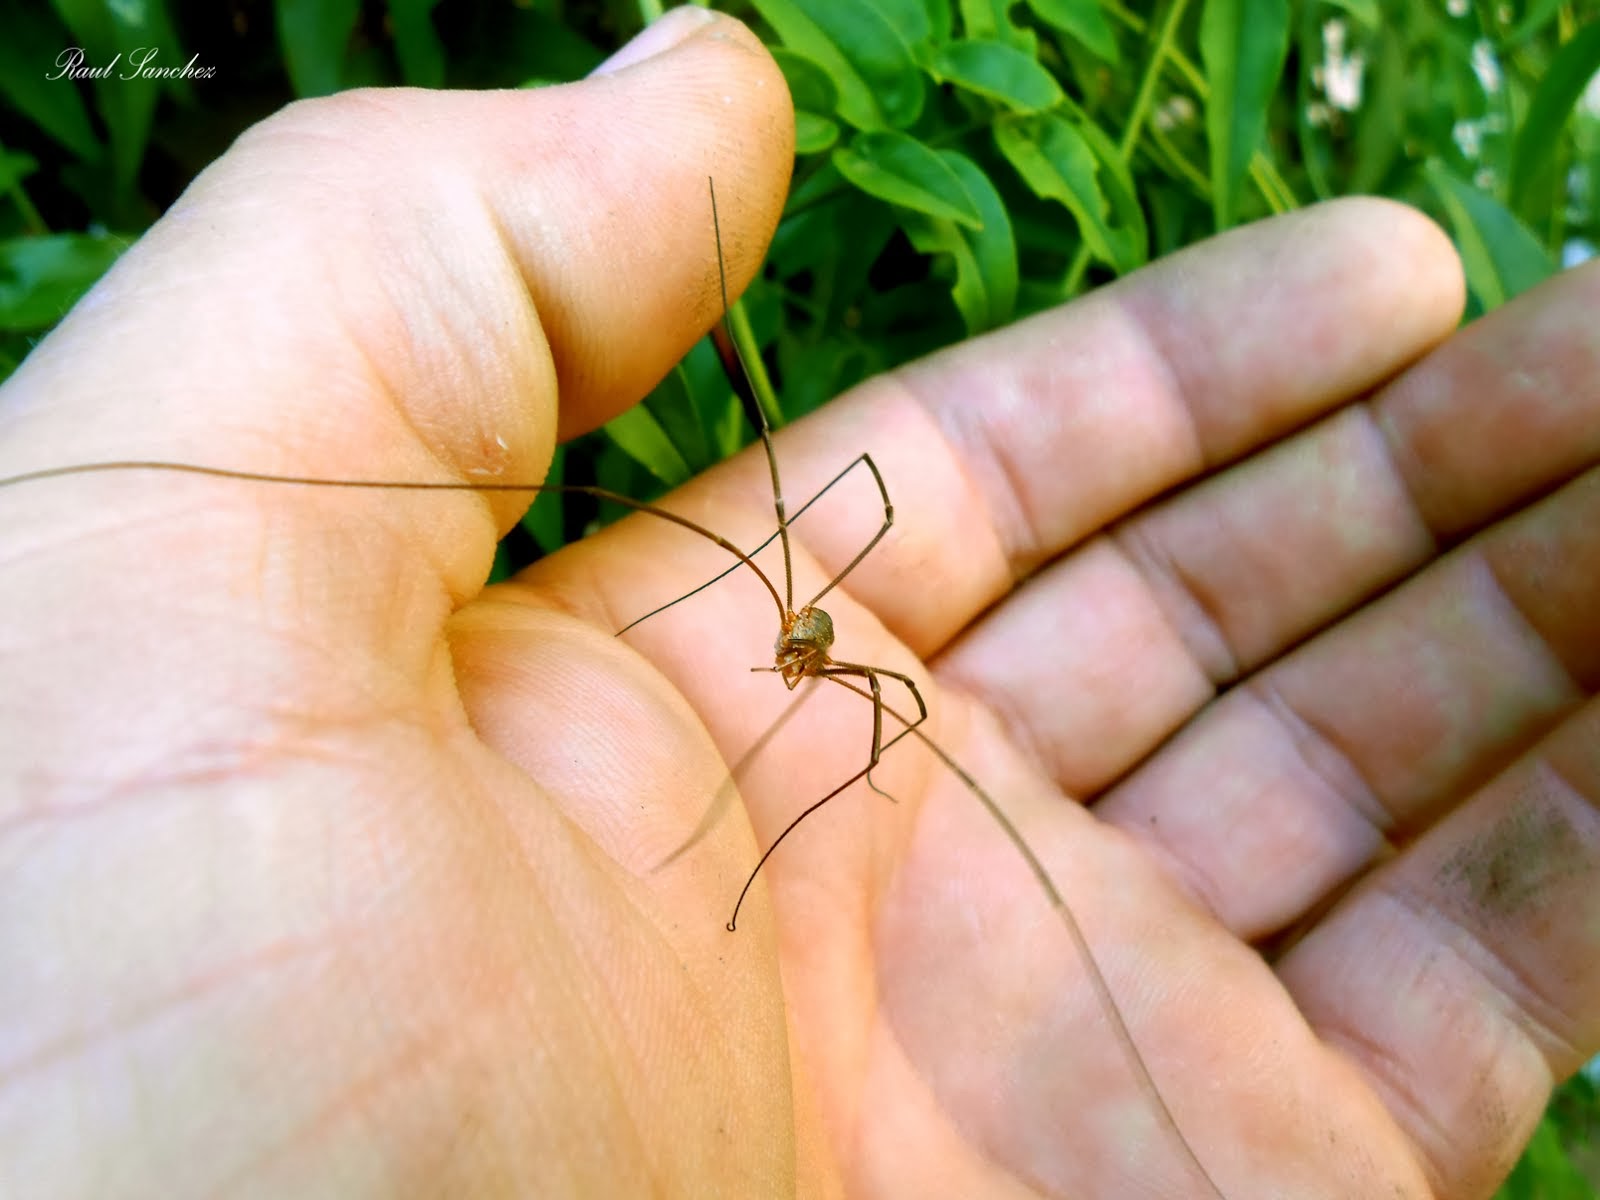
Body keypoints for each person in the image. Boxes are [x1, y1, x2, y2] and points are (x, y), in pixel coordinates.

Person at [2, 9, 1595, 1198]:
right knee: (664, 494)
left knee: (924, 720)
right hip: (783, 616)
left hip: (834, 652)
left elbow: (887, 671)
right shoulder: (772, 590)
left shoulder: (841, 666)